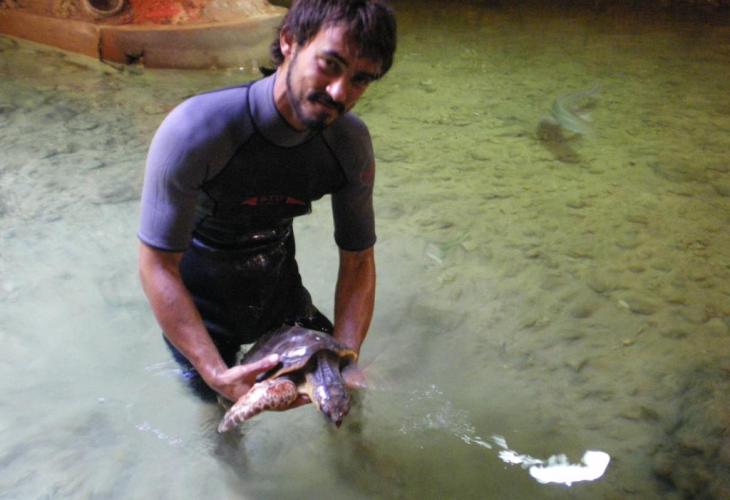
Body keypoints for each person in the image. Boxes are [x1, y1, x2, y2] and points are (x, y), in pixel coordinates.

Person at [137, 0, 397, 410]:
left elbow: (358, 260)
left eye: (361, 79)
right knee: (221, 412)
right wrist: (215, 372)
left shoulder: (349, 144)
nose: (339, 92)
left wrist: (346, 356)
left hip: (279, 291)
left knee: (343, 392)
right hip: (200, 305)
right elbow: (157, 264)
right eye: (330, 64)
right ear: (290, 40)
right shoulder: (195, 132)